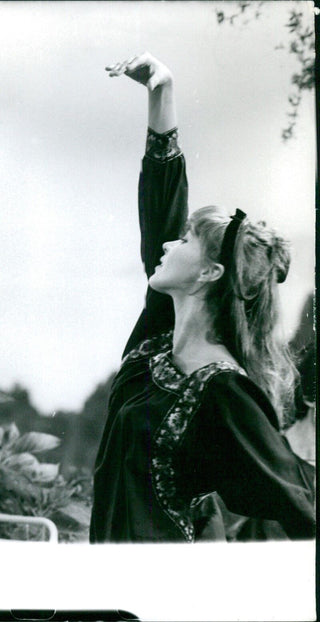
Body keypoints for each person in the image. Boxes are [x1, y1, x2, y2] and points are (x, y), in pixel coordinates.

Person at [89, 53, 316, 543]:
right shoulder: (157, 338)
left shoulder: (223, 390)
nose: (171, 244)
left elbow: (298, 499)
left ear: (210, 272)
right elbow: (161, 213)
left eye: (187, 240)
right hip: (111, 577)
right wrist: (161, 92)